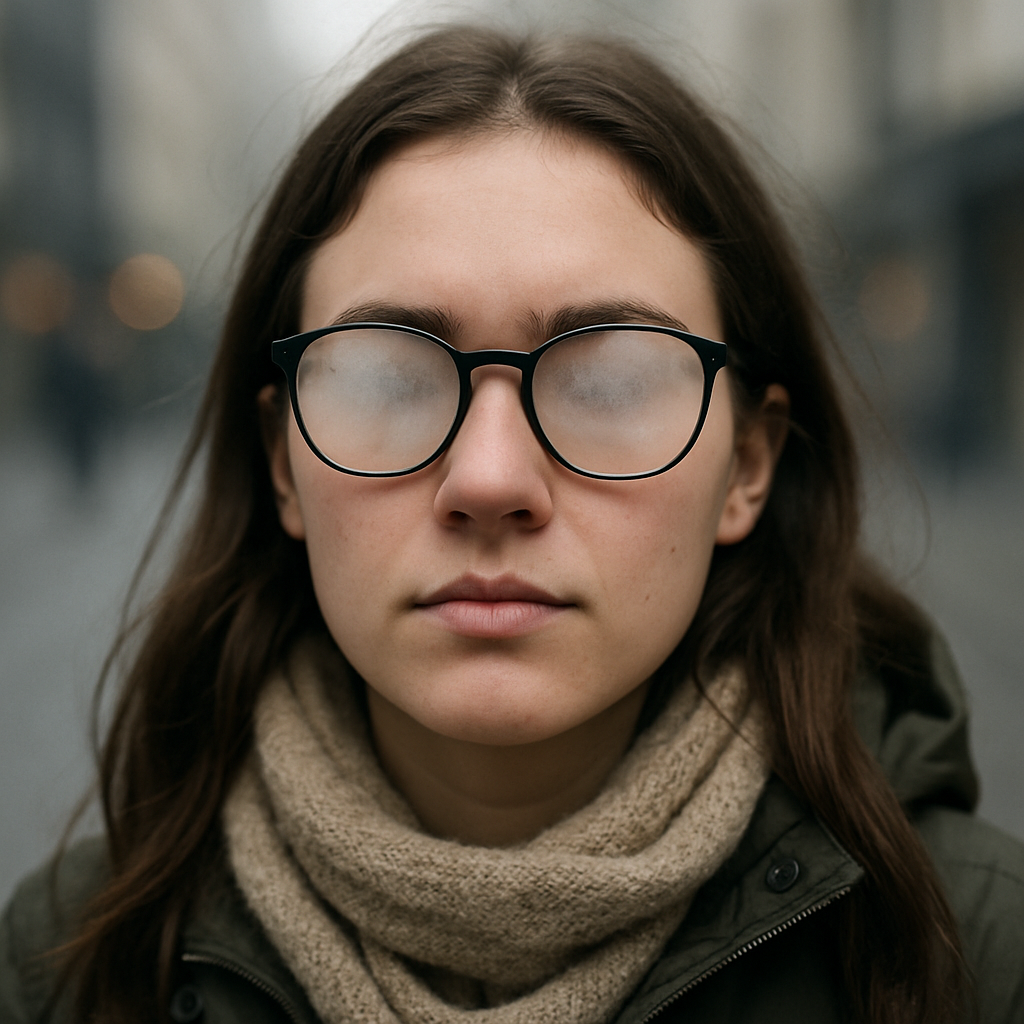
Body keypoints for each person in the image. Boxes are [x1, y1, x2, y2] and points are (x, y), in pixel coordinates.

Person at [2, 24, 1022, 1024]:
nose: (489, 479)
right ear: (282, 462)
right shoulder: (71, 966)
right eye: (389, 375)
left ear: (746, 464)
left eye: (611, 376)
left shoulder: (971, 958)